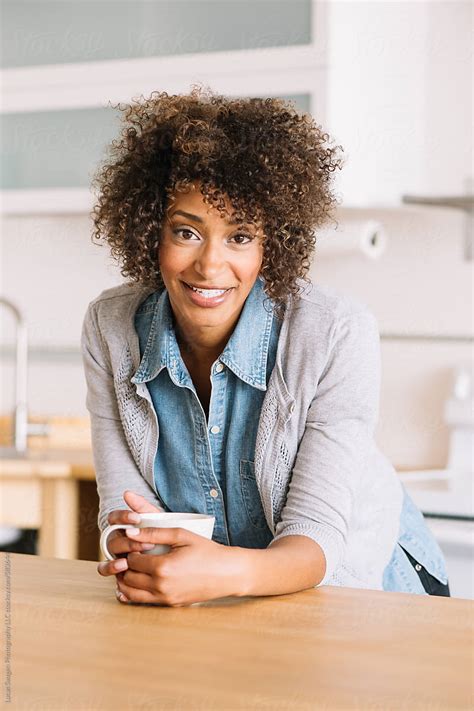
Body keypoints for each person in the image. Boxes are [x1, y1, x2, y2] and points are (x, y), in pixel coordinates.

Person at [81, 86, 450, 607]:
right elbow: (121, 505)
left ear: (272, 244)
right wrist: (129, 542)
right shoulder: (110, 327)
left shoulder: (334, 333)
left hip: (366, 593)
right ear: (149, 232)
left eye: (240, 237)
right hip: (230, 602)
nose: (210, 266)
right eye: (186, 232)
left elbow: (317, 536)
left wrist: (218, 573)